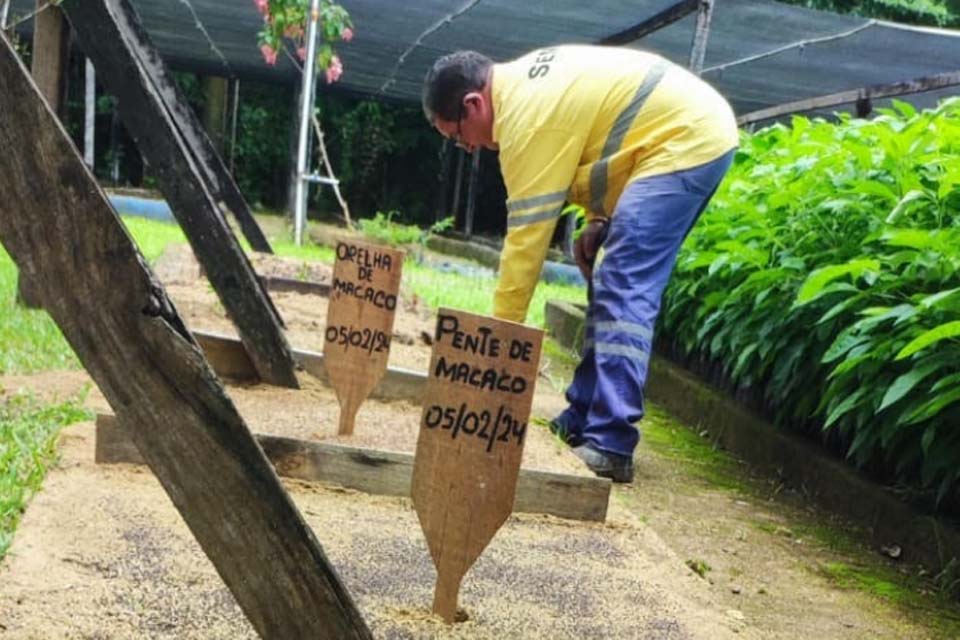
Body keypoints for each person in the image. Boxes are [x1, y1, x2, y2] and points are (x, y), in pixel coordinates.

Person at [422, 45, 738, 483]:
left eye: (458, 135)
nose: (469, 148)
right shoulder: (524, 90)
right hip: (671, 137)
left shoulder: (524, 118)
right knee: (608, 278)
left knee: (623, 282)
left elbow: (525, 246)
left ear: (474, 104)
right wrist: (599, 219)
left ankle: (611, 441)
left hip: (685, 140)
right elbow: (606, 134)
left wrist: (495, 348)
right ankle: (585, 415)